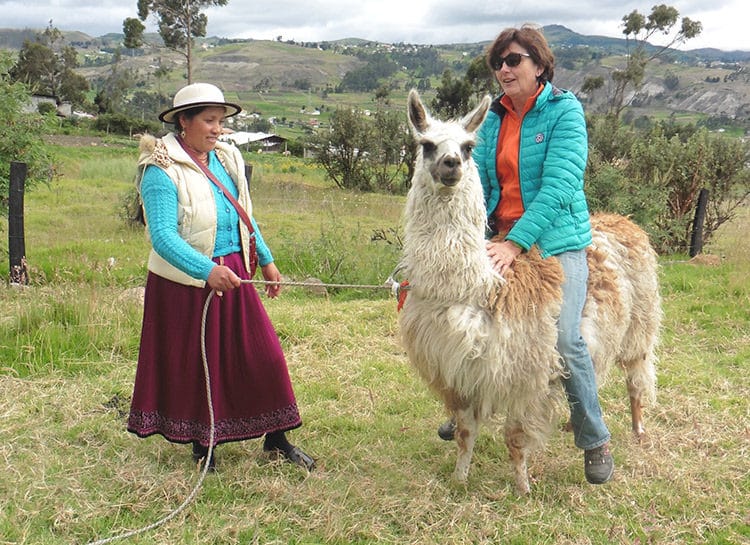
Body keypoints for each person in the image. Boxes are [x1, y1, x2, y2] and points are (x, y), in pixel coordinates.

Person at [437, 25, 613, 485]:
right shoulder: (493, 118)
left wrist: (516, 244)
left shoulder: (564, 113)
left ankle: (594, 437)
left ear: (539, 65)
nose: (504, 69)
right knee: (461, 317)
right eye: (499, 62)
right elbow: (481, 186)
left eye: (514, 60)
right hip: (498, 236)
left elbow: (559, 187)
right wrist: (478, 236)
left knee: (565, 338)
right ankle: (469, 405)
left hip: (554, 242)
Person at [127, 82, 315, 472]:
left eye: (221, 121)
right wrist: (207, 270)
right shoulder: (159, 170)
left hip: (232, 271)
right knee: (200, 365)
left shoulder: (226, 159)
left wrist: (265, 259)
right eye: (209, 121)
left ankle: (276, 439)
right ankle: (204, 447)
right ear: (184, 122)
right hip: (185, 282)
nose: (217, 129)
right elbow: (162, 237)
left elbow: (243, 214)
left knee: (264, 355)